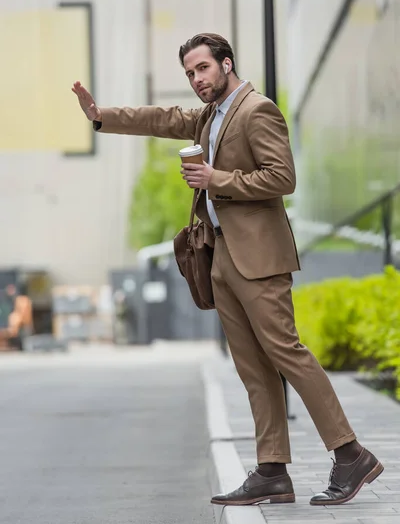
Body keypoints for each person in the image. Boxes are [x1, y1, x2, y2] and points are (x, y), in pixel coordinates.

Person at [72, 33, 383, 507]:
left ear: (226, 64)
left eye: (202, 69)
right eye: (190, 74)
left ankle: (350, 453)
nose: (197, 79)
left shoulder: (256, 110)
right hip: (221, 257)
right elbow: (164, 118)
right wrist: (102, 116)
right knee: (252, 368)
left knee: (286, 352)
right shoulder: (210, 118)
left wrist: (218, 180)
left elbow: (283, 177)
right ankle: (272, 471)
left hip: (259, 258)